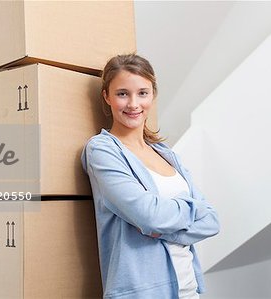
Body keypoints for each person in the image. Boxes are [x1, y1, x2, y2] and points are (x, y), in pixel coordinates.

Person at [81, 54, 220, 299]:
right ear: (107, 97)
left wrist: (162, 228)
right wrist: (186, 214)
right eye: (123, 93)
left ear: (152, 95)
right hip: (141, 292)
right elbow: (149, 215)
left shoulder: (167, 154)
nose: (133, 104)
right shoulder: (102, 150)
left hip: (187, 290)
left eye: (142, 93)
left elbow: (211, 221)